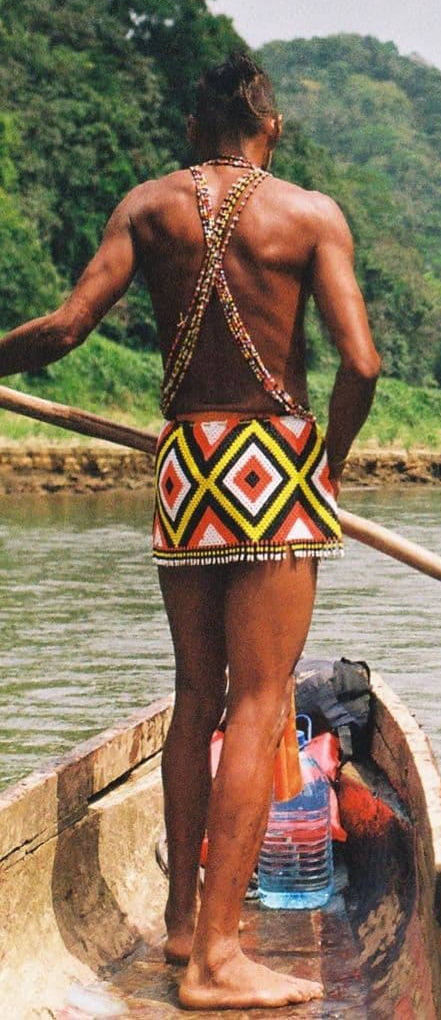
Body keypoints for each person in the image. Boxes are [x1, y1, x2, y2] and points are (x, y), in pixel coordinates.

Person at [0, 52, 381, 1010]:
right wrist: (323, 463)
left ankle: (180, 926)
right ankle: (216, 961)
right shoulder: (309, 215)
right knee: (259, 704)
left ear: (191, 126)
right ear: (273, 126)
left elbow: (63, 328)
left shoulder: (147, 205)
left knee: (195, 695)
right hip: (275, 467)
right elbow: (362, 363)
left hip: (188, 464)